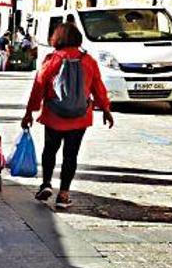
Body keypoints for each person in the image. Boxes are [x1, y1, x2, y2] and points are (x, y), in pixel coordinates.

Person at [21, 22, 114, 209]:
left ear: (57, 38)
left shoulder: (52, 59)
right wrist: (105, 109)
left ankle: (46, 184)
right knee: (71, 155)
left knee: (50, 150)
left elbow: (38, 87)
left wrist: (29, 112)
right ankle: (64, 194)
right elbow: (98, 88)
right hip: (80, 117)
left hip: (54, 115)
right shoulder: (89, 61)